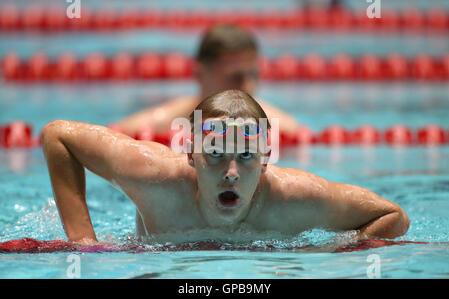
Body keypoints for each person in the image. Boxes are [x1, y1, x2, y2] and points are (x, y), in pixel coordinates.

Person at [41, 90, 409, 245]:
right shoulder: (154, 177)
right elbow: (58, 136)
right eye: (215, 154)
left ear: (265, 160)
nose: (231, 171)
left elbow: (393, 216)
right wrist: (84, 244)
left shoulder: (297, 198)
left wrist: (335, 255)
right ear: (189, 154)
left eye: (246, 157)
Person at [114, 24, 300, 136]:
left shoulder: (282, 129)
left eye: (254, 76)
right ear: (200, 74)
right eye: (235, 77)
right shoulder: (157, 126)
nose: (248, 87)